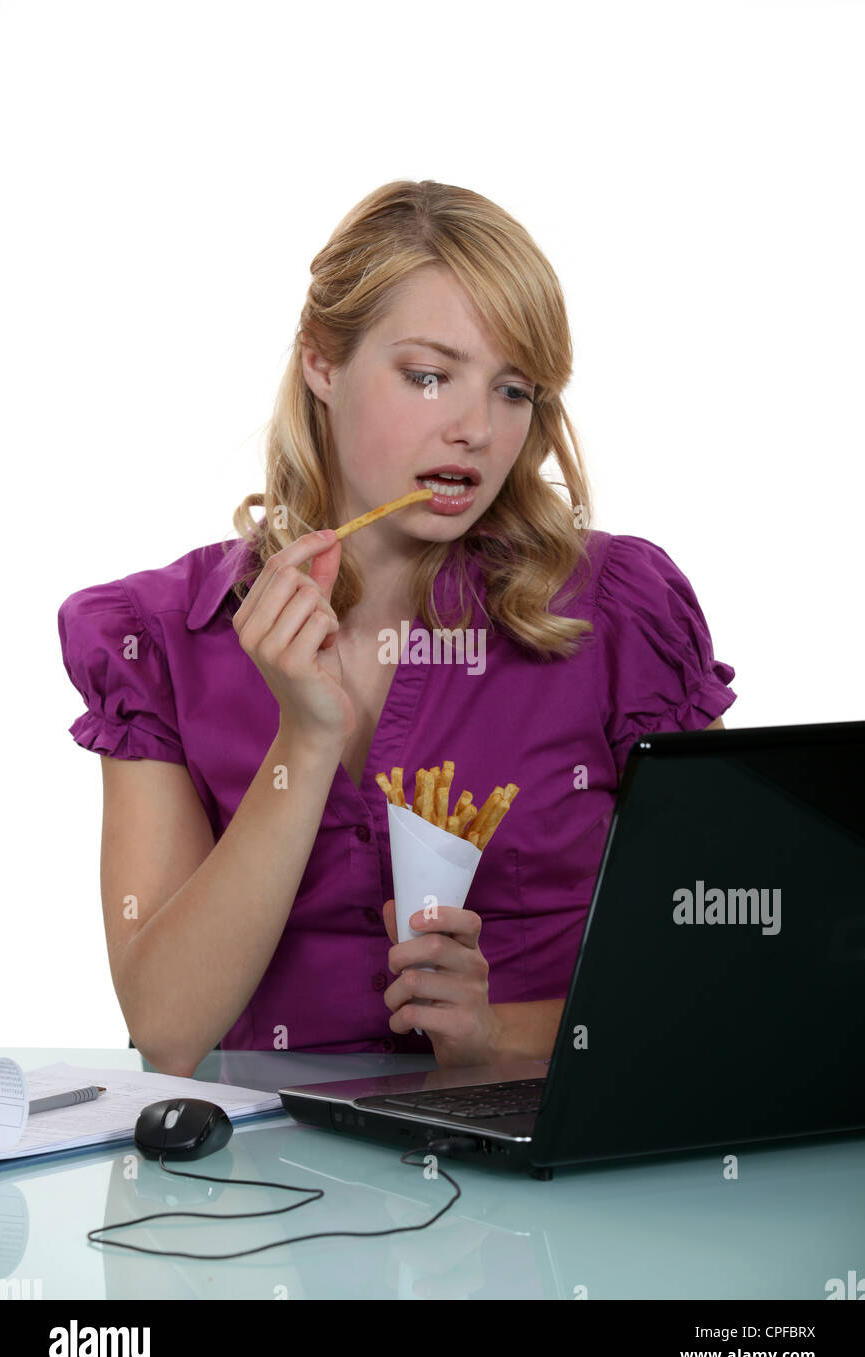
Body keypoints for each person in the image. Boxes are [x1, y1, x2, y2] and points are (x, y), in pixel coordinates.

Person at [57, 179, 735, 1077]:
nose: (477, 431)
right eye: (428, 376)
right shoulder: (157, 637)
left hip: (556, 1177)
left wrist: (499, 1037)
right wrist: (306, 734)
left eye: (513, 391)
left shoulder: (617, 612)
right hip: (269, 1194)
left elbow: (723, 958)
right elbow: (170, 1028)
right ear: (321, 365)